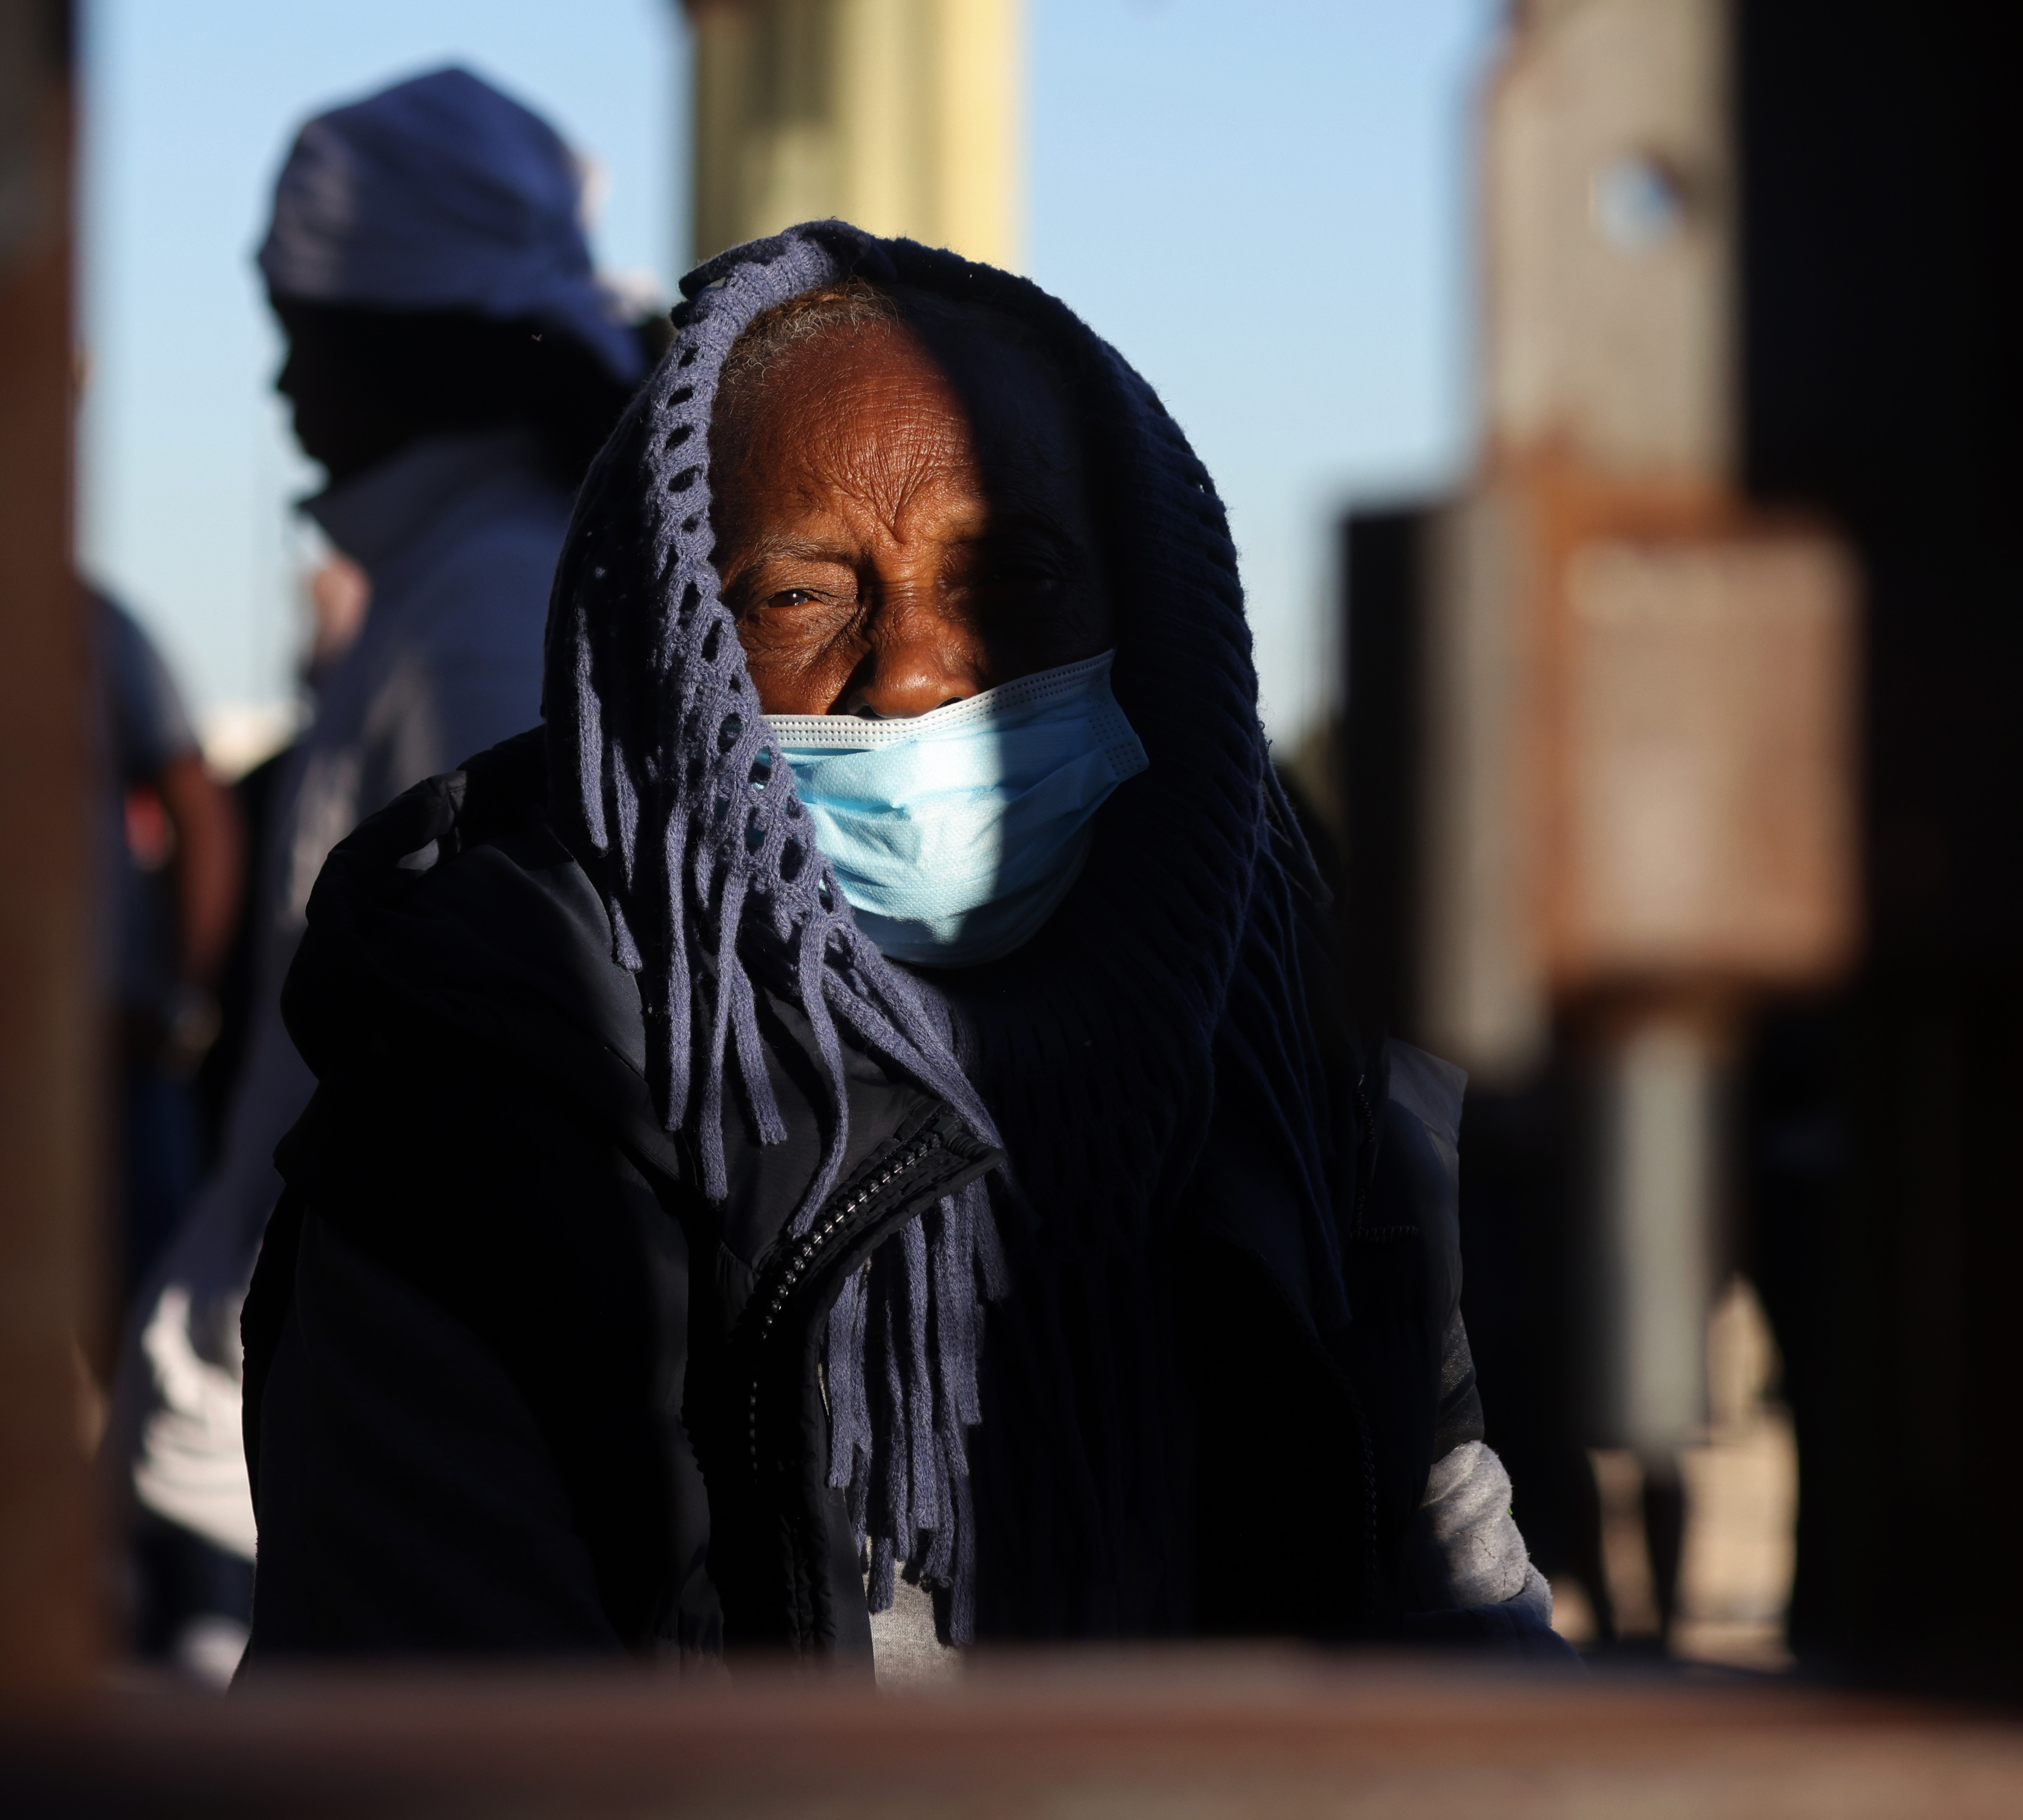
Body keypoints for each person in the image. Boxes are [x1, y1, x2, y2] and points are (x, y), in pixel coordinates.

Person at [238, 224, 1564, 1669]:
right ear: (672, 650)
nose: (917, 670)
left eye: (1010, 581)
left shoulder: (1308, 1075)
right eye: (802, 598)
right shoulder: (486, 1102)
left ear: (1148, 619)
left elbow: (1459, 1608)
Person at [110, 66, 647, 1680]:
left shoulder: (489, 602)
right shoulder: (457, 572)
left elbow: (485, 1067)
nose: (280, 380)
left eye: (300, 327)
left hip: (323, 1437)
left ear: (396, 333)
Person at [85, 582, 240, 1310]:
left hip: (112, 1047)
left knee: (154, 1305)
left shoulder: (91, 624)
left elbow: (196, 809)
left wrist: (177, 999)